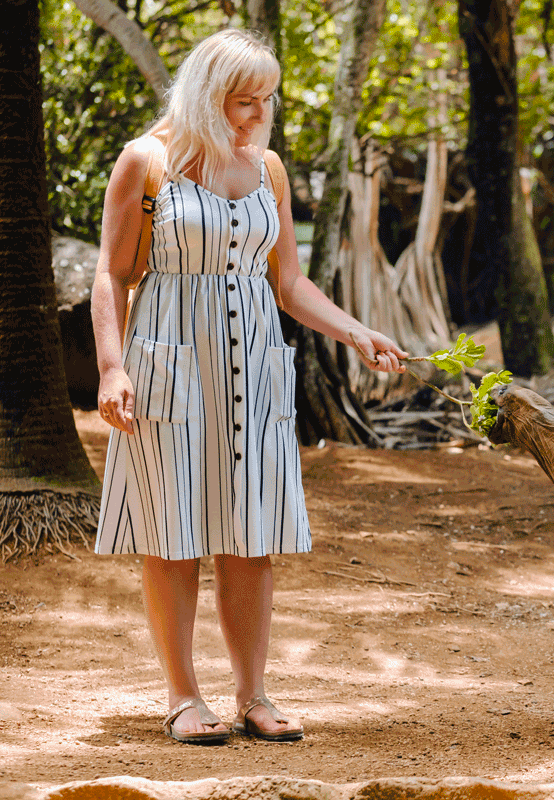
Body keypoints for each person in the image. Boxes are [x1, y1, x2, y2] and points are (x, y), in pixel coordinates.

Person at [90, 28, 406, 745]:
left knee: (251, 530)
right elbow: (111, 275)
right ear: (207, 94)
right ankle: (182, 696)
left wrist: (355, 331)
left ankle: (253, 695)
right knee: (172, 533)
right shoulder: (148, 163)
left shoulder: (268, 170)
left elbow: (287, 280)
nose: (256, 113)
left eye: (265, 99)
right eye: (242, 100)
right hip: (169, 357)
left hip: (255, 362)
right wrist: (112, 367)